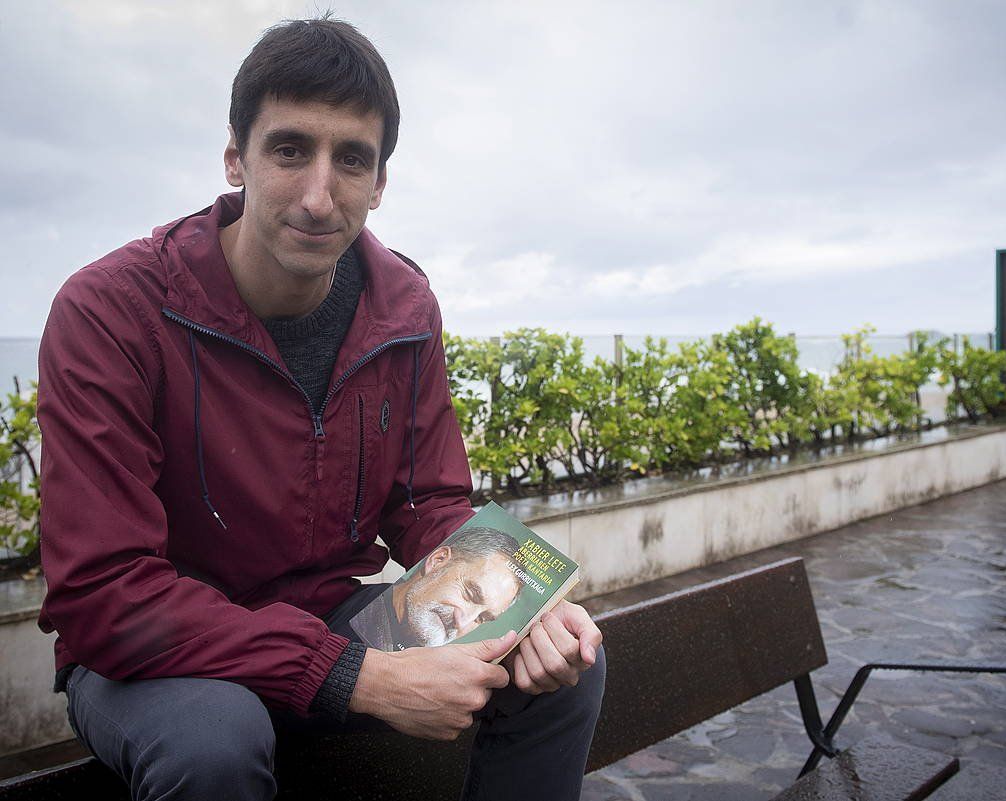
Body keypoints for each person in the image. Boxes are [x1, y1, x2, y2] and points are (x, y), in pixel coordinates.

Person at [36, 16, 604, 801]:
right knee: (214, 741)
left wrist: (524, 600)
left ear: (380, 184)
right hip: (156, 654)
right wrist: (357, 677)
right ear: (236, 157)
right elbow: (103, 589)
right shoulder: (110, 311)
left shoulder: (402, 304)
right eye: (290, 148)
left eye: (352, 160)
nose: (317, 194)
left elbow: (427, 501)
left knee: (561, 665)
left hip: (332, 620)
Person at [354, 526, 523, 651]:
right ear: (438, 560)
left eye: (481, 618)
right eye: (470, 594)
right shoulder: (352, 613)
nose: (461, 623)